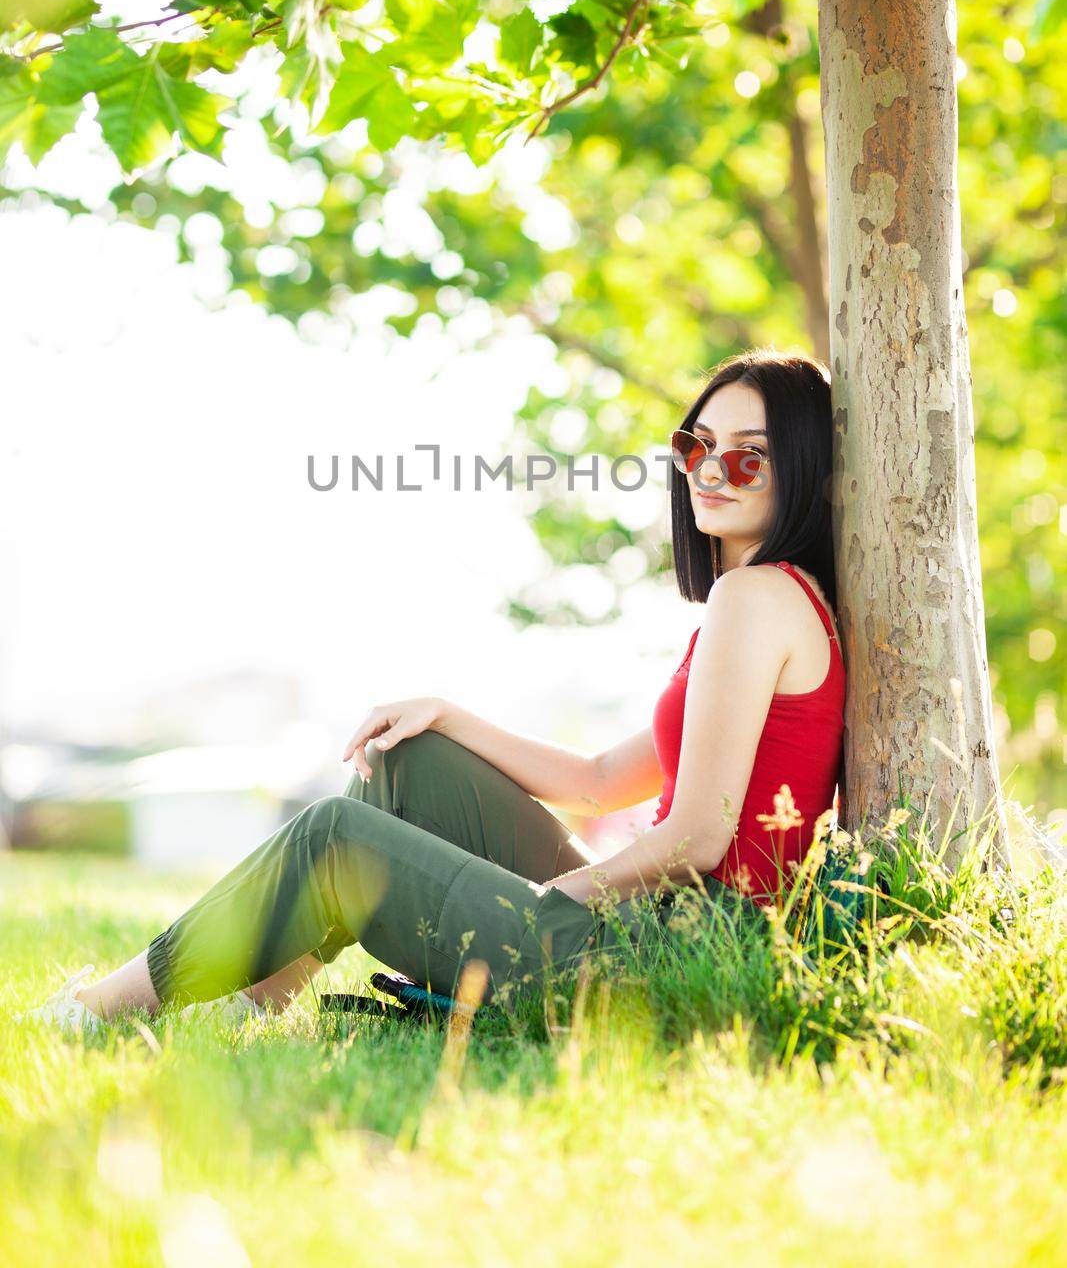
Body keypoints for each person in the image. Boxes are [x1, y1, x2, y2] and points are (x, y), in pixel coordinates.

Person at [23, 349, 846, 1034]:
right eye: (695, 445)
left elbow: (697, 840)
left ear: (799, 470)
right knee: (409, 760)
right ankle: (255, 1000)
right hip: (653, 936)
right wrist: (448, 716)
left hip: (664, 964)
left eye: (750, 453)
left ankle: (102, 1012)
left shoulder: (756, 599)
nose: (712, 469)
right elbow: (599, 785)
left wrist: (538, 900)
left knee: (334, 836)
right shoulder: (758, 604)